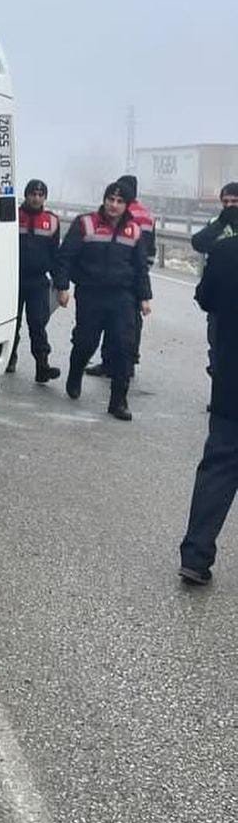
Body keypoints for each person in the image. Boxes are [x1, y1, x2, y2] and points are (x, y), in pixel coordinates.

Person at [52, 180, 151, 422]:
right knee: (86, 341)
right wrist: (62, 286)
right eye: (110, 200)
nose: (113, 205)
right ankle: (75, 373)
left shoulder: (134, 230)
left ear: (127, 205)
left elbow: (140, 267)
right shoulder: (85, 223)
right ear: (104, 200)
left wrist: (145, 297)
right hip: (91, 293)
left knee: (123, 347)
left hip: (122, 296)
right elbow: (65, 257)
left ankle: (119, 400)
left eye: (119, 201)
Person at [178, 228, 238, 585]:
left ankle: (196, 556)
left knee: (218, 468)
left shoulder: (227, 250)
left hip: (231, 381)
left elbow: (205, 298)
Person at [88, 174, 155, 379]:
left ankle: (110, 362)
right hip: (138, 271)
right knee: (131, 321)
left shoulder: (123, 213)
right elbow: (150, 247)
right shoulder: (146, 214)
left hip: (122, 272)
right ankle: (129, 359)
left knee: (115, 321)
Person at [8, 179, 61, 382]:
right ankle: (9, 356)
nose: (36, 198)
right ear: (26, 195)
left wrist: (60, 284)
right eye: (33, 194)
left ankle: (42, 365)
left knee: (38, 323)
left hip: (38, 281)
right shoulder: (12, 216)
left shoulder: (52, 221)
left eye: (40, 195)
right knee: (13, 322)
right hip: (13, 279)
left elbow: (56, 255)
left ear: (45, 197)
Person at [192, 183, 238, 380]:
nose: (230, 206)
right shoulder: (216, 223)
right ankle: (219, 393)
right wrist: (221, 222)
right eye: (226, 202)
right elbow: (199, 243)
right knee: (218, 347)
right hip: (219, 295)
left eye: (235, 202)